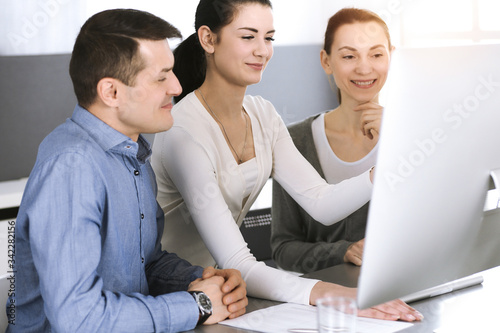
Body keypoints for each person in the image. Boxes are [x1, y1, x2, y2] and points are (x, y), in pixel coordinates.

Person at [152, 0, 422, 322]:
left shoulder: (262, 114)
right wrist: (333, 294)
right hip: (171, 294)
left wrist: (388, 167)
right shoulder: (184, 132)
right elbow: (238, 259)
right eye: (248, 37)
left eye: (269, 38)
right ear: (208, 39)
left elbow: (321, 202)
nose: (262, 51)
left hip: (220, 289)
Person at [7, 9, 247, 333]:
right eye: (161, 77)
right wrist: (196, 306)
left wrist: (204, 282)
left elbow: (144, 263)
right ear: (112, 93)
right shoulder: (72, 167)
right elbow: (78, 319)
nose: (176, 86)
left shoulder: (131, 155)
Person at [271, 8, 393, 274]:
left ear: (390, 56)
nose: (364, 67)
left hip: (402, 292)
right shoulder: (295, 140)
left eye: (376, 54)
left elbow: (436, 228)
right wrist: (343, 251)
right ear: (326, 61)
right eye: (349, 55)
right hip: (326, 301)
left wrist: (397, 143)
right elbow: (284, 249)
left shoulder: (414, 137)